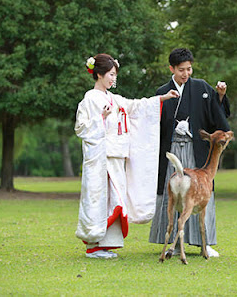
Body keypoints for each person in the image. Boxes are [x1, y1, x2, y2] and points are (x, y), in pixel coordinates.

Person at [75, 53, 179, 259]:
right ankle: (93, 245)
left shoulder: (113, 98)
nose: (114, 78)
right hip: (101, 159)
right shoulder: (90, 98)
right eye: (111, 74)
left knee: (115, 199)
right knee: (100, 199)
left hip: (116, 156)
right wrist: (100, 119)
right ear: (99, 74)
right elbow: (81, 128)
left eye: (115, 74)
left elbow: (135, 106)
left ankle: (105, 243)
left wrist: (162, 98)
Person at [148, 48, 231, 257]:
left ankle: (206, 242)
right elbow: (152, 123)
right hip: (172, 149)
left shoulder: (202, 87)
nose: (186, 74)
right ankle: (174, 244)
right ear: (172, 69)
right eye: (181, 70)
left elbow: (217, 117)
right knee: (174, 194)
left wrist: (220, 97)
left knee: (202, 191)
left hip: (196, 150)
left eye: (189, 69)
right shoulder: (162, 92)